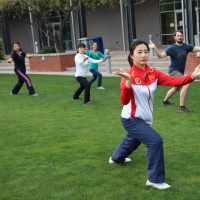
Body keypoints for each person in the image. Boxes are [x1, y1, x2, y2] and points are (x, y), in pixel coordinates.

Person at [109, 40, 200, 190]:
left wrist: (193, 76)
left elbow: (174, 81)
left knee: (132, 141)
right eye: (139, 52)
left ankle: (116, 158)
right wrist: (127, 83)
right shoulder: (128, 75)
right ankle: (154, 180)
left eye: (146, 51)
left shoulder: (153, 73)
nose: (144, 55)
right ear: (132, 55)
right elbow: (124, 101)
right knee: (155, 141)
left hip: (143, 119)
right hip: (131, 119)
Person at [149, 29, 200, 113]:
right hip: (173, 71)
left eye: (181, 36)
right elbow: (160, 56)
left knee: (176, 88)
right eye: (178, 36)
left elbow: (197, 48)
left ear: (183, 37)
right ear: (175, 37)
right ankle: (181, 107)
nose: (180, 37)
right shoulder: (172, 48)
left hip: (180, 71)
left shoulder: (186, 46)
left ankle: (165, 101)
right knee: (186, 84)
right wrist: (155, 48)